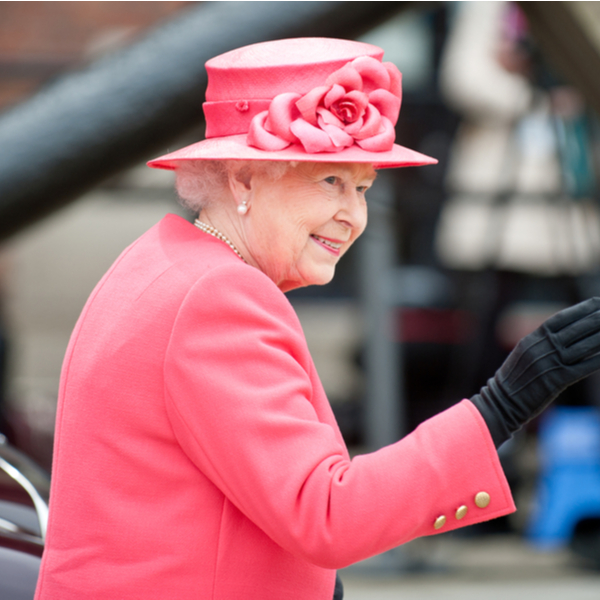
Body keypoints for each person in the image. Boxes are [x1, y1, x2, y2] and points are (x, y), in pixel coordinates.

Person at [34, 38, 600, 600]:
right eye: (329, 181)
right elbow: (327, 514)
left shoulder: (163, 260)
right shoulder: (218, 296)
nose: (353, 217)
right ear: (245, 179)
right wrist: (504, 401)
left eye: (363, 187)